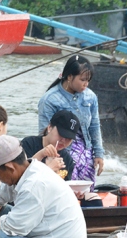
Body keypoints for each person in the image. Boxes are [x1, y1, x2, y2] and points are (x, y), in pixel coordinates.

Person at [38, 55, 105, 183]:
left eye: (88, 80)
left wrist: (98, 154)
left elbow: (94, 126)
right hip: (62, 154)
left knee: (84, 192)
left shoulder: (90, 97)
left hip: (86, 154)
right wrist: (51, 159)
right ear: (69, 77)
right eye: (82, 80)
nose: (86, 84)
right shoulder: (50, 100)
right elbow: (44, 133)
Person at [22, 109, 79, 180]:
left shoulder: (67, 160)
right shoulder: (28, 144)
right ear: (49, 128)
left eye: (68, 138)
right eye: (61, 134)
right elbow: (21, 178)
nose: (63, 140)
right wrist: (49, 168)